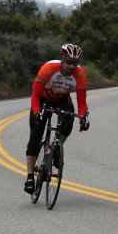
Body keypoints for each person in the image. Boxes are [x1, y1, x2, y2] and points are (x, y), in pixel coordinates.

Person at [24, 43, 90, 193]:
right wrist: (36, 112)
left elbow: (82, 103)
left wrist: (84, 118)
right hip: (42, 99)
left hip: (62, 99)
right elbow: (35, 96)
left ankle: (56, 148)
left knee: (69, 121)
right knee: (35, 135)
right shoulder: (48, 69)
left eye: (75, 63)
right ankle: (29, 177)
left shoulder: (80, 76)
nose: (72, 66)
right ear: (62, 59)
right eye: (69, 62)